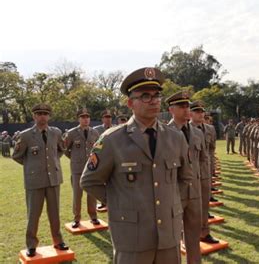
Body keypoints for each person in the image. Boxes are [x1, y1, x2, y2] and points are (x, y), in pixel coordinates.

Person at [80, 67, 194, 263]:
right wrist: (121, 205)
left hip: (169, 234)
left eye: (157, 95)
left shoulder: (176, 138)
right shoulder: (112, 140)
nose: (154, 101)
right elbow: (89, 181)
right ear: (130, 103)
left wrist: (173, 206)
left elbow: (186, 179)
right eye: (146, 96)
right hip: (131, 236)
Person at [12, 103, 69, 257]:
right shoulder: (25, 135)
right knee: (33, 214)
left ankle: (58, 241)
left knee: (55, 213)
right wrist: (32, 167)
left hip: (53, 180)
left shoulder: (56, 132)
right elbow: (16, 156)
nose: (42, 116)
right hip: (34, 181)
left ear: (49, 116)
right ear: (34, 116)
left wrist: (53, 163)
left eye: (45, 113)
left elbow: (61, 150)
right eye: (39, 114)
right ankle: (31, 245)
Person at [166, 91, 206, 264]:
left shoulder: (197, 133)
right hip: (173, 192)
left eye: (187, 106)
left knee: (193, 236)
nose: (186, 109)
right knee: (172, 238)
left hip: (195, 192)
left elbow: (204, 161)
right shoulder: (163, 134)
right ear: (171, 110)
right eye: (181, 106)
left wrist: (205, 186)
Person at [189, 100, 220, 246]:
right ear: (190, 113)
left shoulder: (210, 129)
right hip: (190, 173)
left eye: (202, 112)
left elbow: (212, 149)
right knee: (189, 206)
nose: (200, 114)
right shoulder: (184, 129)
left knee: (204, 204)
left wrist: (211, 166)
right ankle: (186, 234)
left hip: (205, 171)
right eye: (197, 111)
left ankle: (204, 232)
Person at [64, 108, 100, 228]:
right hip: (77, 168)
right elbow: (66, 150)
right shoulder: (71, 133)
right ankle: (77, 218)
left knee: (92, 194)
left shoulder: (95, 133)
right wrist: (75, 158)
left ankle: (93, 216)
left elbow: (99, 149)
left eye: (87, 117)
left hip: (91, 168)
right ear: (78, 119)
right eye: (83, 117)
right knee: (77, 195)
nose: (86, 119)